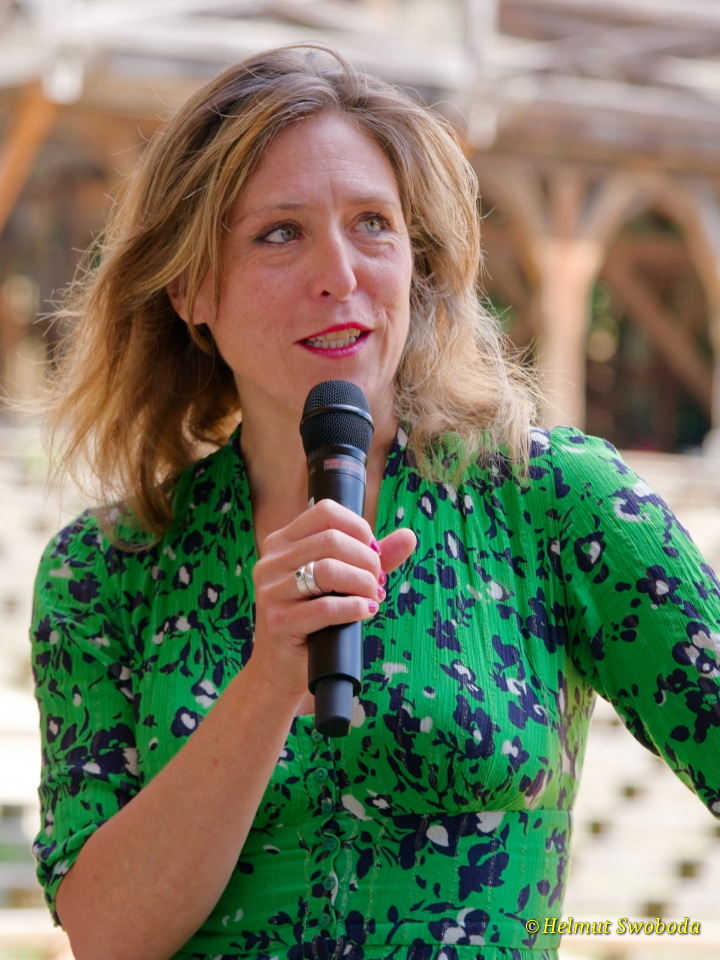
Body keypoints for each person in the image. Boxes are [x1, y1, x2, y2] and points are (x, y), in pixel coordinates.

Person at [30, 43, 719, 960]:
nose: (341, 274)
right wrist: (269, 681)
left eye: (372, 225)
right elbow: (106, 935)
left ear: (416, 260)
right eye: (280, 233)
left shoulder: (553, 504)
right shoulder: (105, 569)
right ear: (190, 287)